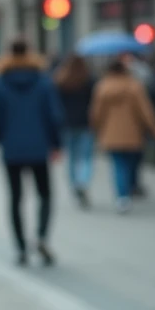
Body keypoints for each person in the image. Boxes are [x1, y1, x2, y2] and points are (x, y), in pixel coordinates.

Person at [0, 39, 64, 266]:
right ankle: (41, 236)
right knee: (45, 194)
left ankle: (20, 246)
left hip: (12, 148)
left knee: (16, 198)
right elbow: (54, 115)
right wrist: (55, 144)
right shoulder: (43, 81)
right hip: (39, 147)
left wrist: (1, 138)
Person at [91, 60, 155, 214]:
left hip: (111, 133)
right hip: (133, 132)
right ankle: (128, 189)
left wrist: (96, 127)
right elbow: (145, 110)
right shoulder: (134, 86)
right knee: (130, 163)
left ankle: (122, 196)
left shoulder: (103, 87)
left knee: (117, 165)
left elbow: (97, 112)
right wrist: (153, 127)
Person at [54, 54, 96, 208]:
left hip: (67, 124)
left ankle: (74, 185)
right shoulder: (88, 80)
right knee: (85, 157)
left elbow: (55, 105)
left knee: (71, 157)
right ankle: (82, 182)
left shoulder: (61, 80)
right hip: (85, 123)